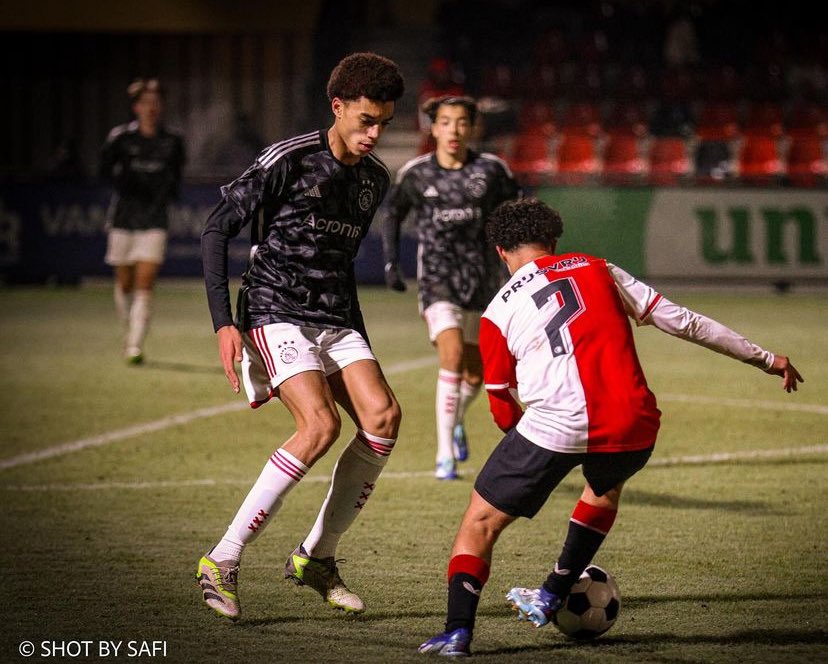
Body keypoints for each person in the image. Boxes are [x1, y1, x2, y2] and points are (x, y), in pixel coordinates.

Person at [418, 198, 803, 656]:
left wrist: (530, 451)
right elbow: (683, 322)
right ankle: (552, 590)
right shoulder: (599, 268)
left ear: (500, 252)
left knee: (479, 523)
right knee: (603, 487)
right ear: (554, 242)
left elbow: (501, 406)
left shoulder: (495, 314)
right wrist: (764, 358)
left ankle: (458, 631)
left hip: (552, 427)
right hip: (632, 422)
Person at [197, 52, 405, 621]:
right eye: (365, 120)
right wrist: (224, 322)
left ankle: (317, 557)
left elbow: (339, 264)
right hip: (274, 307)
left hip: (336, 315)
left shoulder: (374, 180)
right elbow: (217, 228)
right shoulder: (289, 159)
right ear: (336, 107)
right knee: (320, 426)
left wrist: (357, 344)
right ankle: (223, 557)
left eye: (384, 123)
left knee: (384, 420)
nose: (374, 133)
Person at [379, 95, 520, 480]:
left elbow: (517, 214)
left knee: (476, 375)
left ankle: (456, 420)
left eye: (461, 122)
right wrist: (391, 261)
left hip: (485, 281)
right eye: (445, 122)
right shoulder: (416, 173)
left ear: (473, 127)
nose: (453, 130)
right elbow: (393, 213)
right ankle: (444, 456)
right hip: (438, 279)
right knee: (452, 356)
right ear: (433, 128)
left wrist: (522, 263)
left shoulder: (492, 171)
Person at [100, 79, 186, 364]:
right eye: (146, 102)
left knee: (145, 282)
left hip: (154, 220)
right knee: (124, 282)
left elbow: (176, 177)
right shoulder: (120, 139)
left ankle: (135, 345)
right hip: (123, 218)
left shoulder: (173, 142)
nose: (151, 108)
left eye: (156, 102)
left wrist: (163, 196)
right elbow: (103, 172)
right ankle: (129, 330)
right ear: (136, 107)